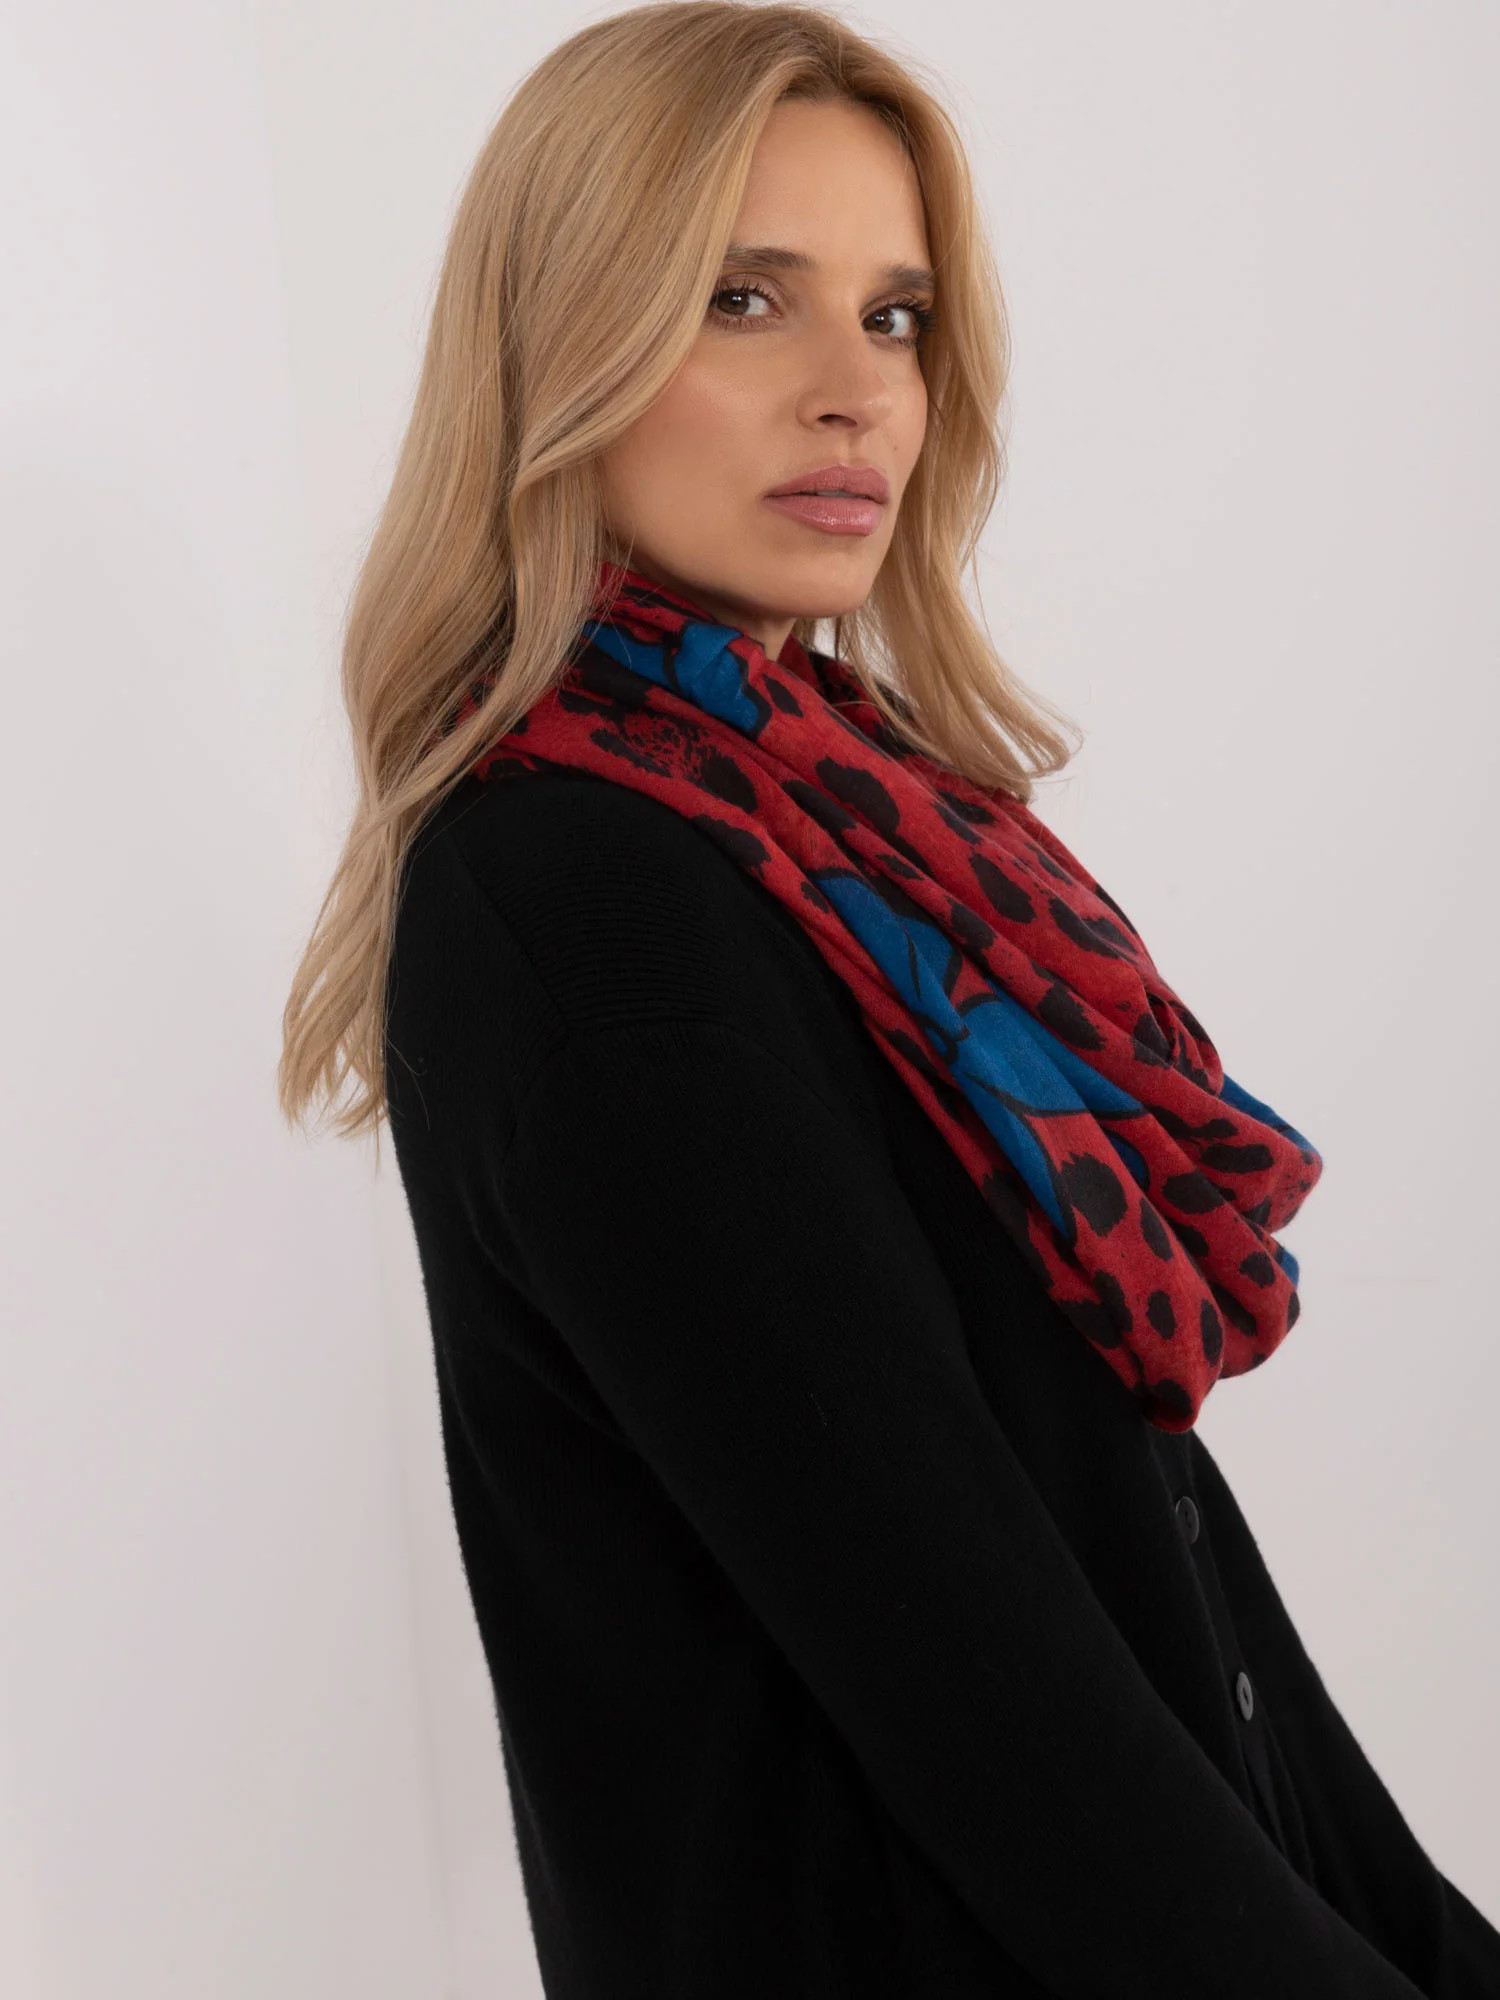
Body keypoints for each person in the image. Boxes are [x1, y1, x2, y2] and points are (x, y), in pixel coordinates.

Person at [277, 5, 1500, 1994]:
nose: (855, 390)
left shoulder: (865, 854)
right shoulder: (588, 899)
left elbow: (1157, 1575)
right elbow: (994, 1707)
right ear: (561, 344)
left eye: (898, 316)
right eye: (745, 298)